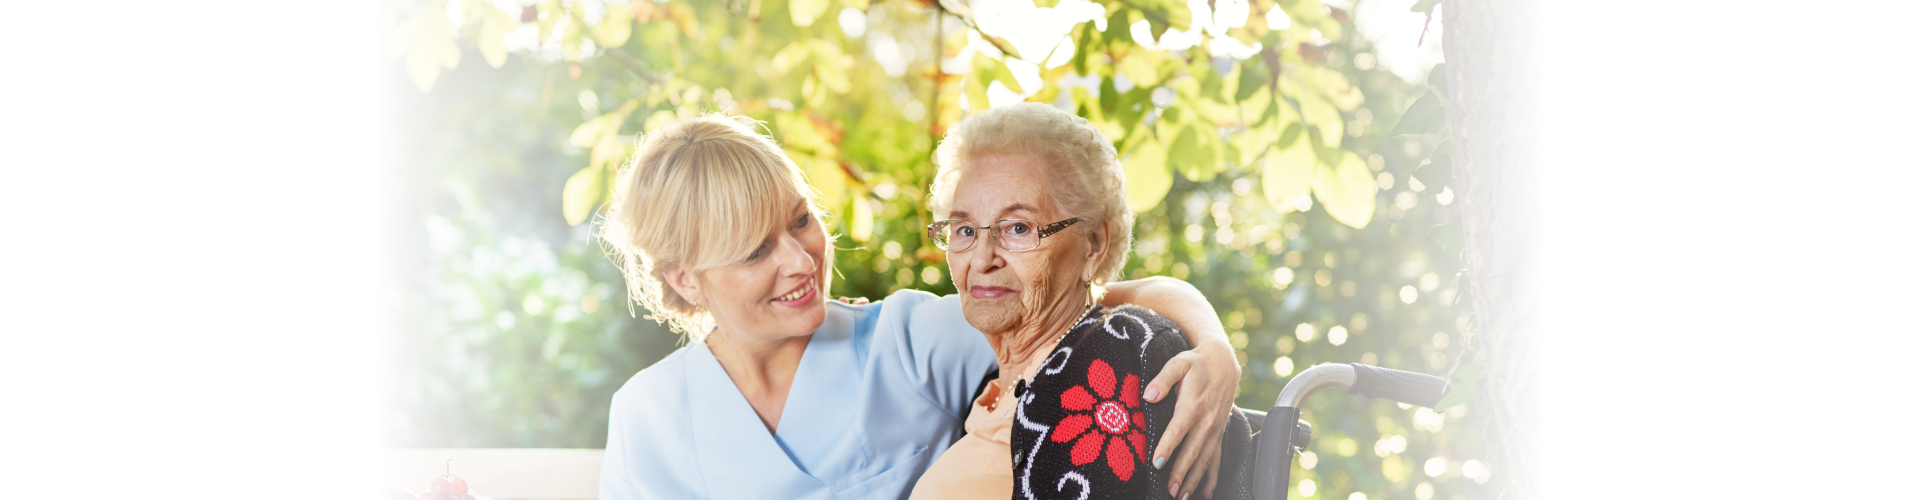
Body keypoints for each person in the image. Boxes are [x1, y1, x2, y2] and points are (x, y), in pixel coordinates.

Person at [595, 114, 1243, 500]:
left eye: (801, 222)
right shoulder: (648, 416)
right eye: (755, 250)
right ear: (684, 281)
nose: (799, 261)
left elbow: (1081, 302)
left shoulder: (908, 337)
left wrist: (1212, 343)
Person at [908, 103, 1255, 500]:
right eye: (964, 229)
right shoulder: (996, 389)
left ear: (1093, 244)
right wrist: (1213, 341)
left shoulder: (1104, 360)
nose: (982, 259)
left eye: (1019, 228)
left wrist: (1215, 346)